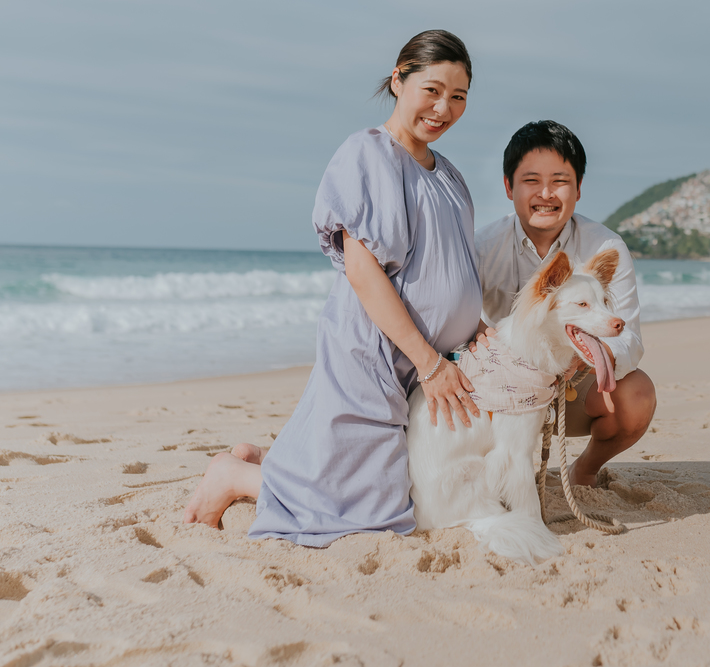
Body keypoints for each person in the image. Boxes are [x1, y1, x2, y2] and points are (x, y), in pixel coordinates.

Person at [183, 30, 484, 544]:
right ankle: (234, 476)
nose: (443, 108)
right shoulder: (368, 154)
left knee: (378, 478)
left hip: (427, 359)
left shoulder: (448, 175)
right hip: (376, 350)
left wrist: (476, 329)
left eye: (458, 97)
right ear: (399, 78)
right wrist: (430, 363)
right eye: (431, 90)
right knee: (367, 512)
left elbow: (451, 265)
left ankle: (265, 460)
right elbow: (363, 272)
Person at [475, 121, 656, 488]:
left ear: (578, 188)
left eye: (559, 180)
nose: (546, 193)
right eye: (531, 180)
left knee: (637, 397)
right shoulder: (482, 247)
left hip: (575, 383)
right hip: (502, 385)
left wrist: (584, 356)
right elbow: (452, 318)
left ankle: (584, 470)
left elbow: (630, 340)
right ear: (509, 186)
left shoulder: (605, 248)